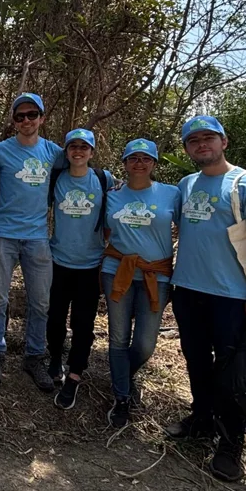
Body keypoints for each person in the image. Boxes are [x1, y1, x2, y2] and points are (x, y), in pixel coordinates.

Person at [167, 115, 246, 481]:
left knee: (232, 369)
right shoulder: (186, 185)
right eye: (194, 140)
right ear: (186, 148)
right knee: (196, 360)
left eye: (208, 138)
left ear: (223, 141)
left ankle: (231, 442)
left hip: (231, 296)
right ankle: (202, 418)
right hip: (187, 290)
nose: (202, 145)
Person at [0, 92, 64, 391]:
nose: (26, 120)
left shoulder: (54, 152)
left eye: (32, 115)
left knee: (41, 302)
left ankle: (33, 356)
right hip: (3, 234)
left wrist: (110, 180)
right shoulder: (1, 151)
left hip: (38, 237)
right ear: (14, 121)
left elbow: (80, 169)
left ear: (42, 118)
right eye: (20, 116)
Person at [98, 139, 180, 429]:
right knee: (118, 338)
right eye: (133, 158)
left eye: (146, 158)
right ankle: (122, 397)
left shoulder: (172, 194)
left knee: (145, 343)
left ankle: (122, 375)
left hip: (156, 275)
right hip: (116, 271)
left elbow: (186, 230)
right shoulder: (112, 195)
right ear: (124, 163)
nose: (139, 163)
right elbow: (106, 229)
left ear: (155, 164)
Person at [47, 129, 112, 410]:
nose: (78, 151)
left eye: (84, 147)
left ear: (92, 152)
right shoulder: (56, 179)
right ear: (66, 151)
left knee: (83, 324)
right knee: (55, 318)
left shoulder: (103, 179)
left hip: (90, 264)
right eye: (73, 146)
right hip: (58, 260)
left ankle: (74, 375)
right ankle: (53, 359)